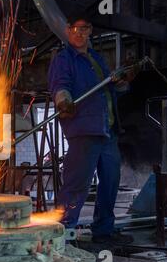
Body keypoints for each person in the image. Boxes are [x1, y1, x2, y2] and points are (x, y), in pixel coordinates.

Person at [48, 14, 137, 244]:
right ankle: (64, 234)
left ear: (90, 31)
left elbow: (109, 91)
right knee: (77, 184)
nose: (79, 33)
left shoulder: (97, 59)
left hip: (107, 130)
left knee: (110, 183)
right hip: (84, 129)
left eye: (84, 28)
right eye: (75, 29)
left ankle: (104, 231)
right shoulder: (64, 59)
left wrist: (122, 81)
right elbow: (60, 85)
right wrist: (62, 100)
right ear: (68, 31)